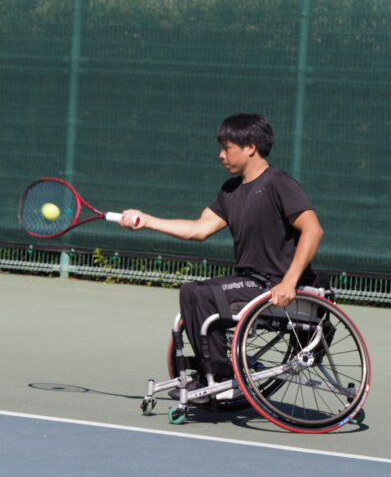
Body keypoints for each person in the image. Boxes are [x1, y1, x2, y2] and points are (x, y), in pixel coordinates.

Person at [119, 113, 323, 395]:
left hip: (275, 283)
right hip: (250, 282)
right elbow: (199, 229)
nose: (221, 155)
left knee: (204, 294)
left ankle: (220, 376)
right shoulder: (230, 191)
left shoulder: (279, 183)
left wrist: (289, 282)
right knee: (190, 291)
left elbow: (313, 230)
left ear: (250, 147)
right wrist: (147, 220)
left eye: (227, 148)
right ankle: (210, 372)